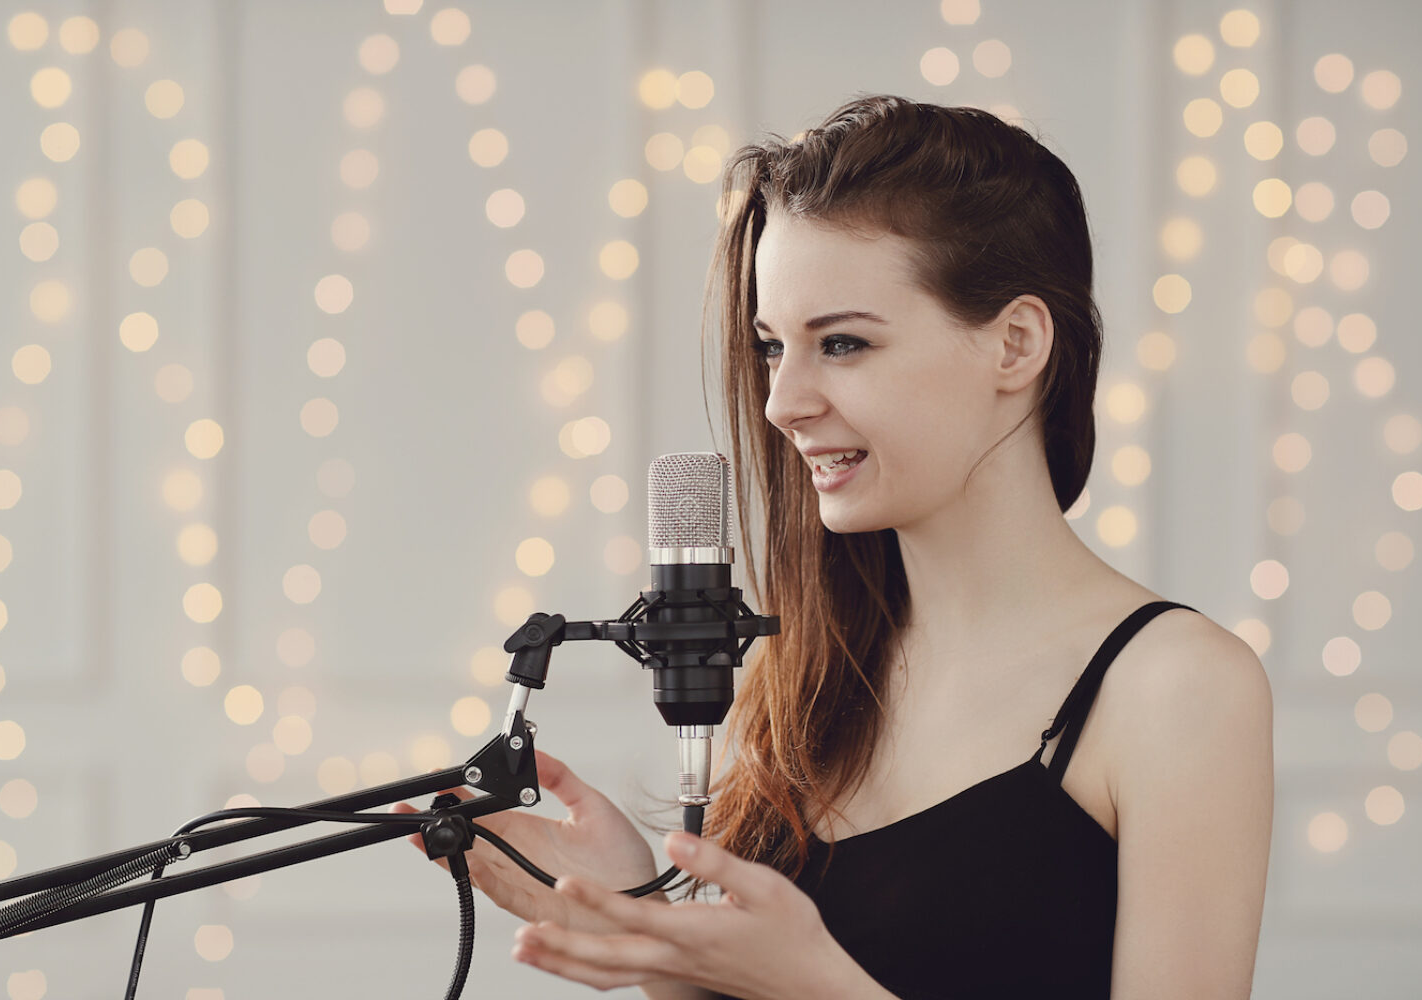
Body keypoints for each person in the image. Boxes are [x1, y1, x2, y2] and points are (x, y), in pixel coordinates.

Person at [395, 94, 1274, 999]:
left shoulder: (1178, 689)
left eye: (843, 343)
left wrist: (813, 984)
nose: (782, 403)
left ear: (1016, 343)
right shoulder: (825, 666)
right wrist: (654, 932)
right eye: (774, 347)